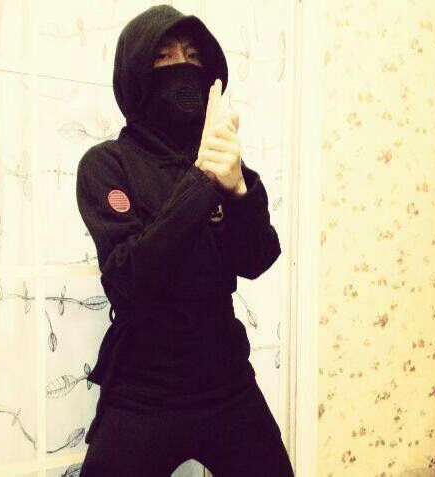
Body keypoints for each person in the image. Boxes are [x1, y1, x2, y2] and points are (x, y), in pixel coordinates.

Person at [76, 4, 295, 476]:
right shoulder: (107, 164)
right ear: (136, 72)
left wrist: (239, 189)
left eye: (194, 57)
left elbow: (257, 259)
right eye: (165, 57)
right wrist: (201, 181)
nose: (183, 67)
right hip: (143, 389)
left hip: (226, 380)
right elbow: (128, 281)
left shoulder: (222, 161)